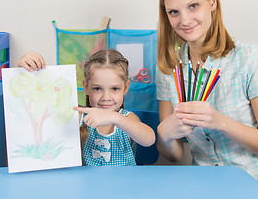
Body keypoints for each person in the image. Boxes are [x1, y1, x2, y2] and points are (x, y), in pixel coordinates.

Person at [155, 0, 258, 198]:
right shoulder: (169, 69)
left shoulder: (250, 56)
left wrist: (219, 122)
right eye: (174, 12)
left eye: (193, 6)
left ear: (211, 1)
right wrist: (164, 134)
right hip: (207, 191)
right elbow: (172, 154)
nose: (185, 20)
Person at [17, 49, 156, 166]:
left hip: (124, 189)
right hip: (88, 189)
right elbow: (38, 105)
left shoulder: (127, 119)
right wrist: (21, 69)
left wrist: (115, 117)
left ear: (125, 88)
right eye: (97, 89)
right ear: (86, 87)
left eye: (114, 89)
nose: (106, 97)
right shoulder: (78, 116)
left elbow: (149, 139)